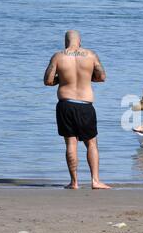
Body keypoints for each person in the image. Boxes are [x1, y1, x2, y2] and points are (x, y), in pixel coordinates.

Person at [44, 30, 111, 190]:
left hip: (66, 104)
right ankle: (95, 181)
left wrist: (63, 79)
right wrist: (87, 77)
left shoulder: (58, 56)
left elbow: (47, 80)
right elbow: (102, 77)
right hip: (85, 105)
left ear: (65, 42)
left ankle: (74, 183)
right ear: (79, 41)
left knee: (71, 143)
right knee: (92, 143)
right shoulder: (91, 55)